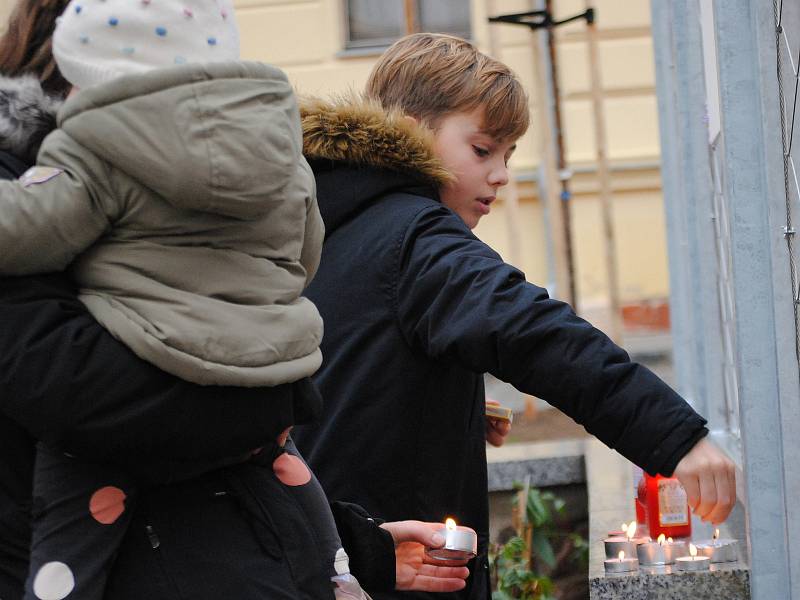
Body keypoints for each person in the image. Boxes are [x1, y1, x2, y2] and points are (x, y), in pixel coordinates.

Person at [0, 4, 469, 599]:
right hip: (242, 442)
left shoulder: (85, 158)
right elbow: (71, 386)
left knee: (74, 534)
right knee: (283, 472)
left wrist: (367, 545)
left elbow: (32, 231)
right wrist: (275, 380)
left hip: (181, 540)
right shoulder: (272, 147)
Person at [294, 33, 737, 599]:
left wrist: (447, 406)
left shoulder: (324, 227)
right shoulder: (418, 239)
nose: (501, 174)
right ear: (409, 128)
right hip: (403, 572)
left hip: (328, 559)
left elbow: (344, 378)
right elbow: (536, 334)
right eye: (482, 150)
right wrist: (676, 437)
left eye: (508, 155)